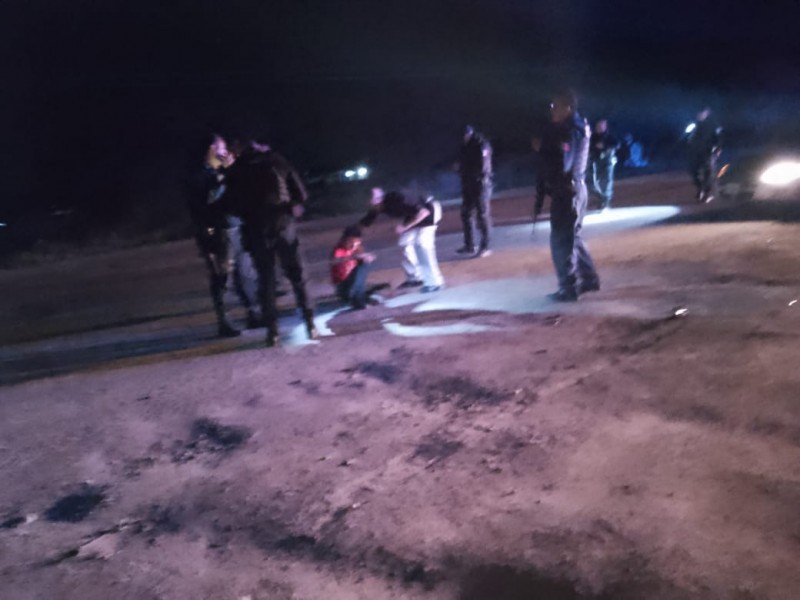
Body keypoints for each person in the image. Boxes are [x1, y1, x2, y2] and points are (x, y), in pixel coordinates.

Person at [222, 139, 318, 347]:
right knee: (297, 275)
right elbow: (301, 194)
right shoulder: (277, 160)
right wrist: (290, 207)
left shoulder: (237, 170)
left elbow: (230, 206)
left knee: (266, 280)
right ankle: (310, 322)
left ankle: (272, 331)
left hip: (256, 229)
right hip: (283, 225)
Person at [185, 134, 262, 338]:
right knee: (223, 278)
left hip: (236, 227)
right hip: (218, 233)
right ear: (211, 149)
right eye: (221, 148)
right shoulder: (199, 175)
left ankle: (253, 313)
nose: (225, 152)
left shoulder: (223, 170)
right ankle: (224, 321)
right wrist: (225, 175)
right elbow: (210, 199)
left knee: (246, 274)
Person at [541, 89, 600, 302]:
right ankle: (589, 279)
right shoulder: (579, 126)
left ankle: (568, 287)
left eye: (555, 106)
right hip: (576, 188)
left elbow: (565, 162)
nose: (552, 110)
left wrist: (546, 155)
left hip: (567, 190)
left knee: (561, 240)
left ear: (567, 108)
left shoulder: (569, 130)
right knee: (573, 236)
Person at [359, 187, 445, 293]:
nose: (374, 208)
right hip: (413, 215)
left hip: (429, 211)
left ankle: (435, 282)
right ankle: (415, 277)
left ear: (380, 200)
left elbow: (424, 212)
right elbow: (365, 223)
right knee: (404, 243)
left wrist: (405, 227)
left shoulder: (399, 199)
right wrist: (353, 236)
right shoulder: (379, 207)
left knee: (422, 245)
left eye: (375, 204)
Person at [457, 125, 493, 257]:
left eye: (465, 135)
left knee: (482, 215)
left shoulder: (481, 144)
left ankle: (485, 246)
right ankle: (469, 245)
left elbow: (483, 165)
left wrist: (469, 172)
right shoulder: (464, 146)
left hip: (480, 184)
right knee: (465, 213)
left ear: (470, 134)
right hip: (468, 183)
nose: (464, 138)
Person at [330, 225, 379, 309]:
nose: (353, 246)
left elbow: (363, 258)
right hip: (344, 287)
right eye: (351, 242)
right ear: (344, 240)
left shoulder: (356, 249)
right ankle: (358, 301)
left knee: (364, 264)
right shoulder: (339, 251)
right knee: (360, 268)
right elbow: (336, 261)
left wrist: (366, 257)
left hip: (354, 285)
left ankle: (361, 297)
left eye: (356, 243)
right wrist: (356, 257)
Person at [687, 107, 722, 203]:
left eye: (702, 113)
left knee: (708, 172)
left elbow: (718, 137)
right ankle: (700, 188)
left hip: (707, 151)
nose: (700, 115)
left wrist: (718, 148)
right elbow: (688, 136)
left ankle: (706, 193)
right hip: (695, 152)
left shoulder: (713, 125)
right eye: (699, 113)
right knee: (693, 171)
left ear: (706, 113)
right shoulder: (694, 124)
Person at [588, 119, 620, 210]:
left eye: (601, 125)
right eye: (598, 126)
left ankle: (606, 201)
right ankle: (601, 199)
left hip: (607, 162)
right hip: (595, 162)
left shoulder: (610, 136)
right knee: (593, 183)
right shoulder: (592, 137)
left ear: (605, 126)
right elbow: (588, 147)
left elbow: (617, 145)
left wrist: (605, 147)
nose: (599, 127)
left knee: (607, 181)